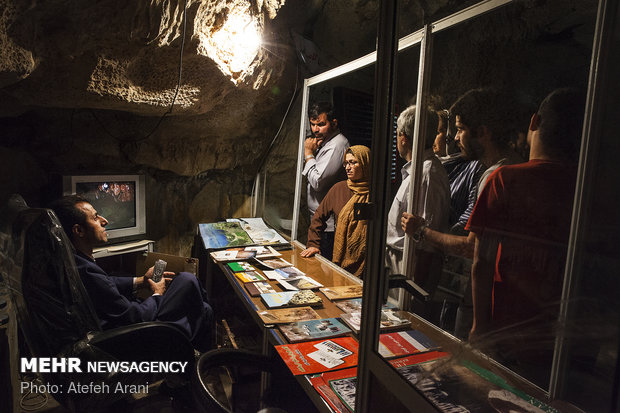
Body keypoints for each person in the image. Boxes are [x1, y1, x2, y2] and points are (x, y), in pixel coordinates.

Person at [466, 88, 584, 386]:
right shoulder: (583, 187)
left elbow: (482, 261)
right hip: (558, 338)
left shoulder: (504, 179)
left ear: (534, 122)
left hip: (507, 333)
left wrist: (479, 327)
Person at [50, 195, 214, 352]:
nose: (104, 221)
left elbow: (106, 284)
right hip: (129, 335)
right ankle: (197, 363)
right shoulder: (85, 270)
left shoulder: (74, 261)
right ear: (78, 230)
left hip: (119, 325)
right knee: (188, 280)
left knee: (204, 310)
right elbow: (134, 316)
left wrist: (141, 280)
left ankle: (199, 364)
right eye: (95, 218)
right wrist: (157, 293)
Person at [385, 105, 450, 286]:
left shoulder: (427, 174)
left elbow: (428, 242)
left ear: (404, 138)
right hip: (398, 262)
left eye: (397, 134)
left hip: (408, 267)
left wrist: (413, 289)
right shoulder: (417, 170)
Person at [301, 145, 370, 278]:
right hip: (341, 259)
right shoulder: (339, 189)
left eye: (353, 162)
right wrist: (314, 244)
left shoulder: (376, 194)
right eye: (346, 163)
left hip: (368, 264)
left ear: (365, 163)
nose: (348, 167)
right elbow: (318, 218)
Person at [301, 101, 350, 260]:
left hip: (328, 226)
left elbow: (317, 182)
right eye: (313, 124)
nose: (315, 129)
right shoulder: (324, 142)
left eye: (321, 124)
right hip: (319, 221)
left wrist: (308, 154)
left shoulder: (337, 145)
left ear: (334, 123)